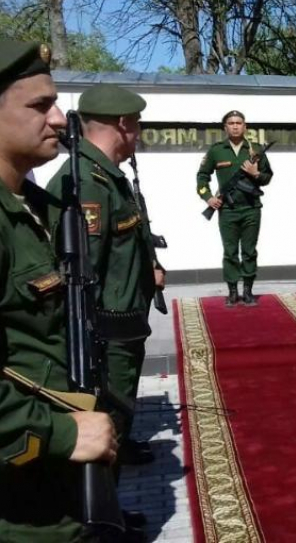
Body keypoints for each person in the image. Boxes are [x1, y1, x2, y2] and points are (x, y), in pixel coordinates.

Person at [0, 39, 117, 540]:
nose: (57, 118)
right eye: (38, 105)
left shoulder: (41, 207)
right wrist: (62, 432)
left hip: (55, 481)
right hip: (19, 500)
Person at [47, 84, 164, 527]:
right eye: (136, 125)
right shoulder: (87, 183)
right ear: (122, 124)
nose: (138, 134)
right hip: (106, 333)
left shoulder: (108, 175)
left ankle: (106, 513)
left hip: (123, 325)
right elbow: (83, 273)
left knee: (117, 419)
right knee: (105, 421)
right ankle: (101, 523)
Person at [197, 110, 273, 306]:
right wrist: (208, 197)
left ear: (245, 126)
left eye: (239, 122)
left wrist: (256, 174)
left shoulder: (255, 150)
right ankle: (232, 290)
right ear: (225, 127)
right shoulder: (216, 150)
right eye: (231, 123)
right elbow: (202, 176)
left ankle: (248, 290)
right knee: (230, 252)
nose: (235, 126)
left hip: (251, 209)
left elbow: (268, 177)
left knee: (249, 251)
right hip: (227, 211)